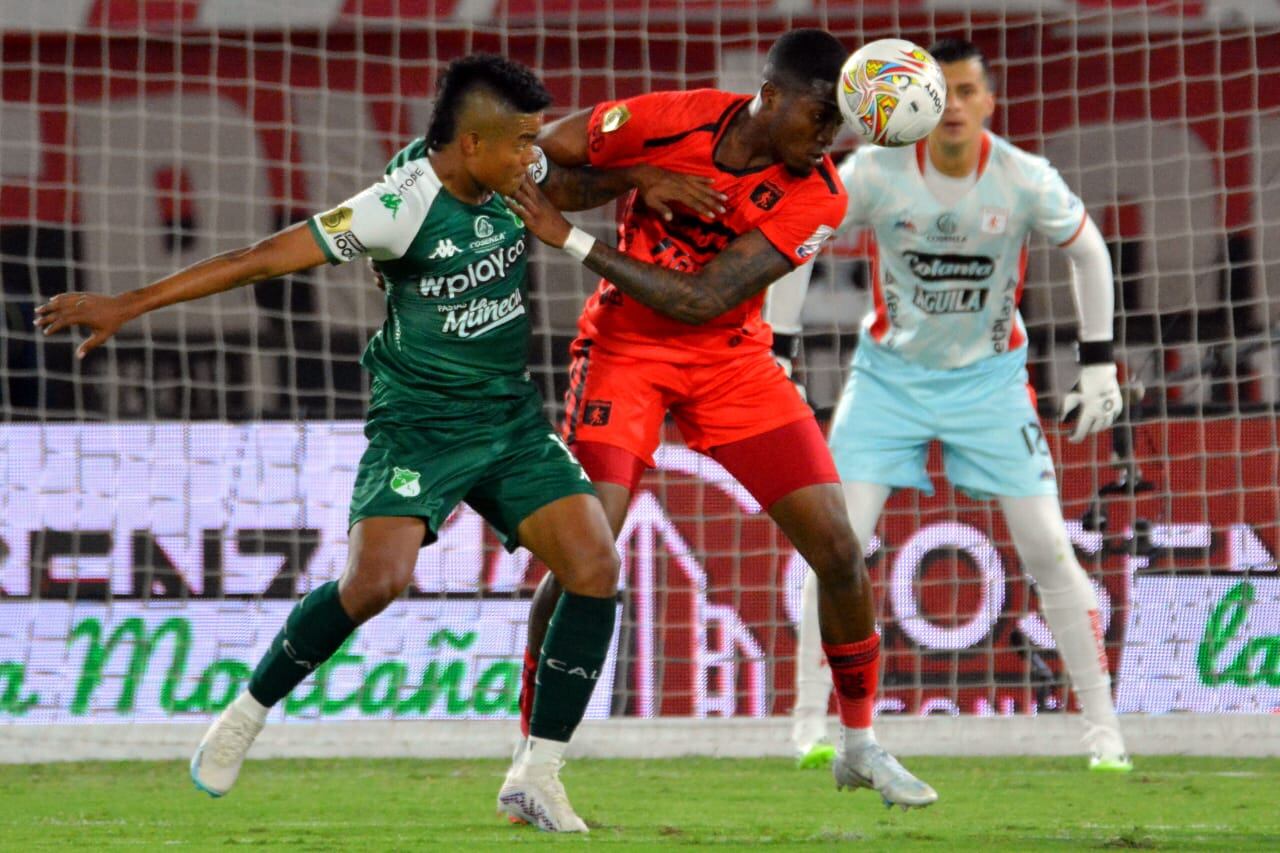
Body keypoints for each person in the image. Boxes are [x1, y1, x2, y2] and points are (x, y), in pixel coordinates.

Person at [34, 54, 722, 833]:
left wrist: (639, 179)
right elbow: (259, 259)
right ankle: (245, 714)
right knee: (375, 583)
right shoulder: (397, 205)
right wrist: (129, 304)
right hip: (420, 426)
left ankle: (538, 774)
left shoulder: (512, 173)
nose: (535, 156)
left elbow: (572, 185)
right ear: (471, 144)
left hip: (509, 421)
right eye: (522, 142)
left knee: (595, 565)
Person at [505, 28, 937, 809]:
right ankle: (533, 765)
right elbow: (540, 164)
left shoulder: (822, 194)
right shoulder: (671, 119)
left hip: (732, 361)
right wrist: (636, 174)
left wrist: (568, 240)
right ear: (769, 97)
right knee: (584, 555)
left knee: (840, 548)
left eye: (839, 121)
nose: (828, 135)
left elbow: (703, 299)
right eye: (818, 114)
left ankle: (859, 743)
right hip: (626, 353)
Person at [767, 38, 1132, 772]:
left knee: (1047, 548)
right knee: (834, 545)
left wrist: (1098, 362)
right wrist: (777, 350)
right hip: (888, 381)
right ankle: (808, 724)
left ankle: (1104, 730)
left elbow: (1089, 249)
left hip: (991, 385)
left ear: (988, 102)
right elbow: (801, 237)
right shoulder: (875, 172)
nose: (956, 105)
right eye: (945, 93)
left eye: (969, 91)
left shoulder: (1024, 178)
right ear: (920, 103)